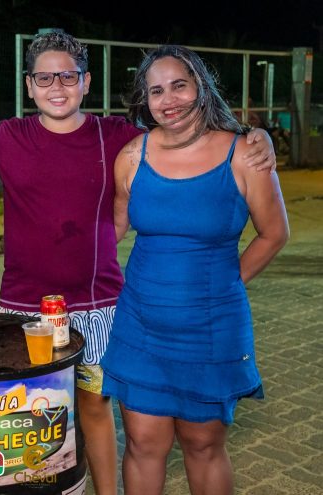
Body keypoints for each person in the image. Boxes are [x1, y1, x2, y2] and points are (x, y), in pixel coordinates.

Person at [0, 32, 277, 495]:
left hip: (106, 308)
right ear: (28, 85)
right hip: (45, 309)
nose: (57, 85)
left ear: (86, 82)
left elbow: (191, 147)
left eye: (68, 75)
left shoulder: (118, 138)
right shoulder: (17, 137)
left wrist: (256, 135)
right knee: (36, 416)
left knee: (115, 414)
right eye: (45, 77)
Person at [101, 45, 288, 495]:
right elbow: (112, 230)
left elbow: (273, 233)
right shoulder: (131, 156)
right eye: (156, 91)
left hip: (212, 327)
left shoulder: (245, 154)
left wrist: (225, 284)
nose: (169, 100)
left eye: (179, 85)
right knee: (144, 442)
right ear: (145, 101)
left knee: (203, 444)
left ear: (201, 86)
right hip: (140, 325)